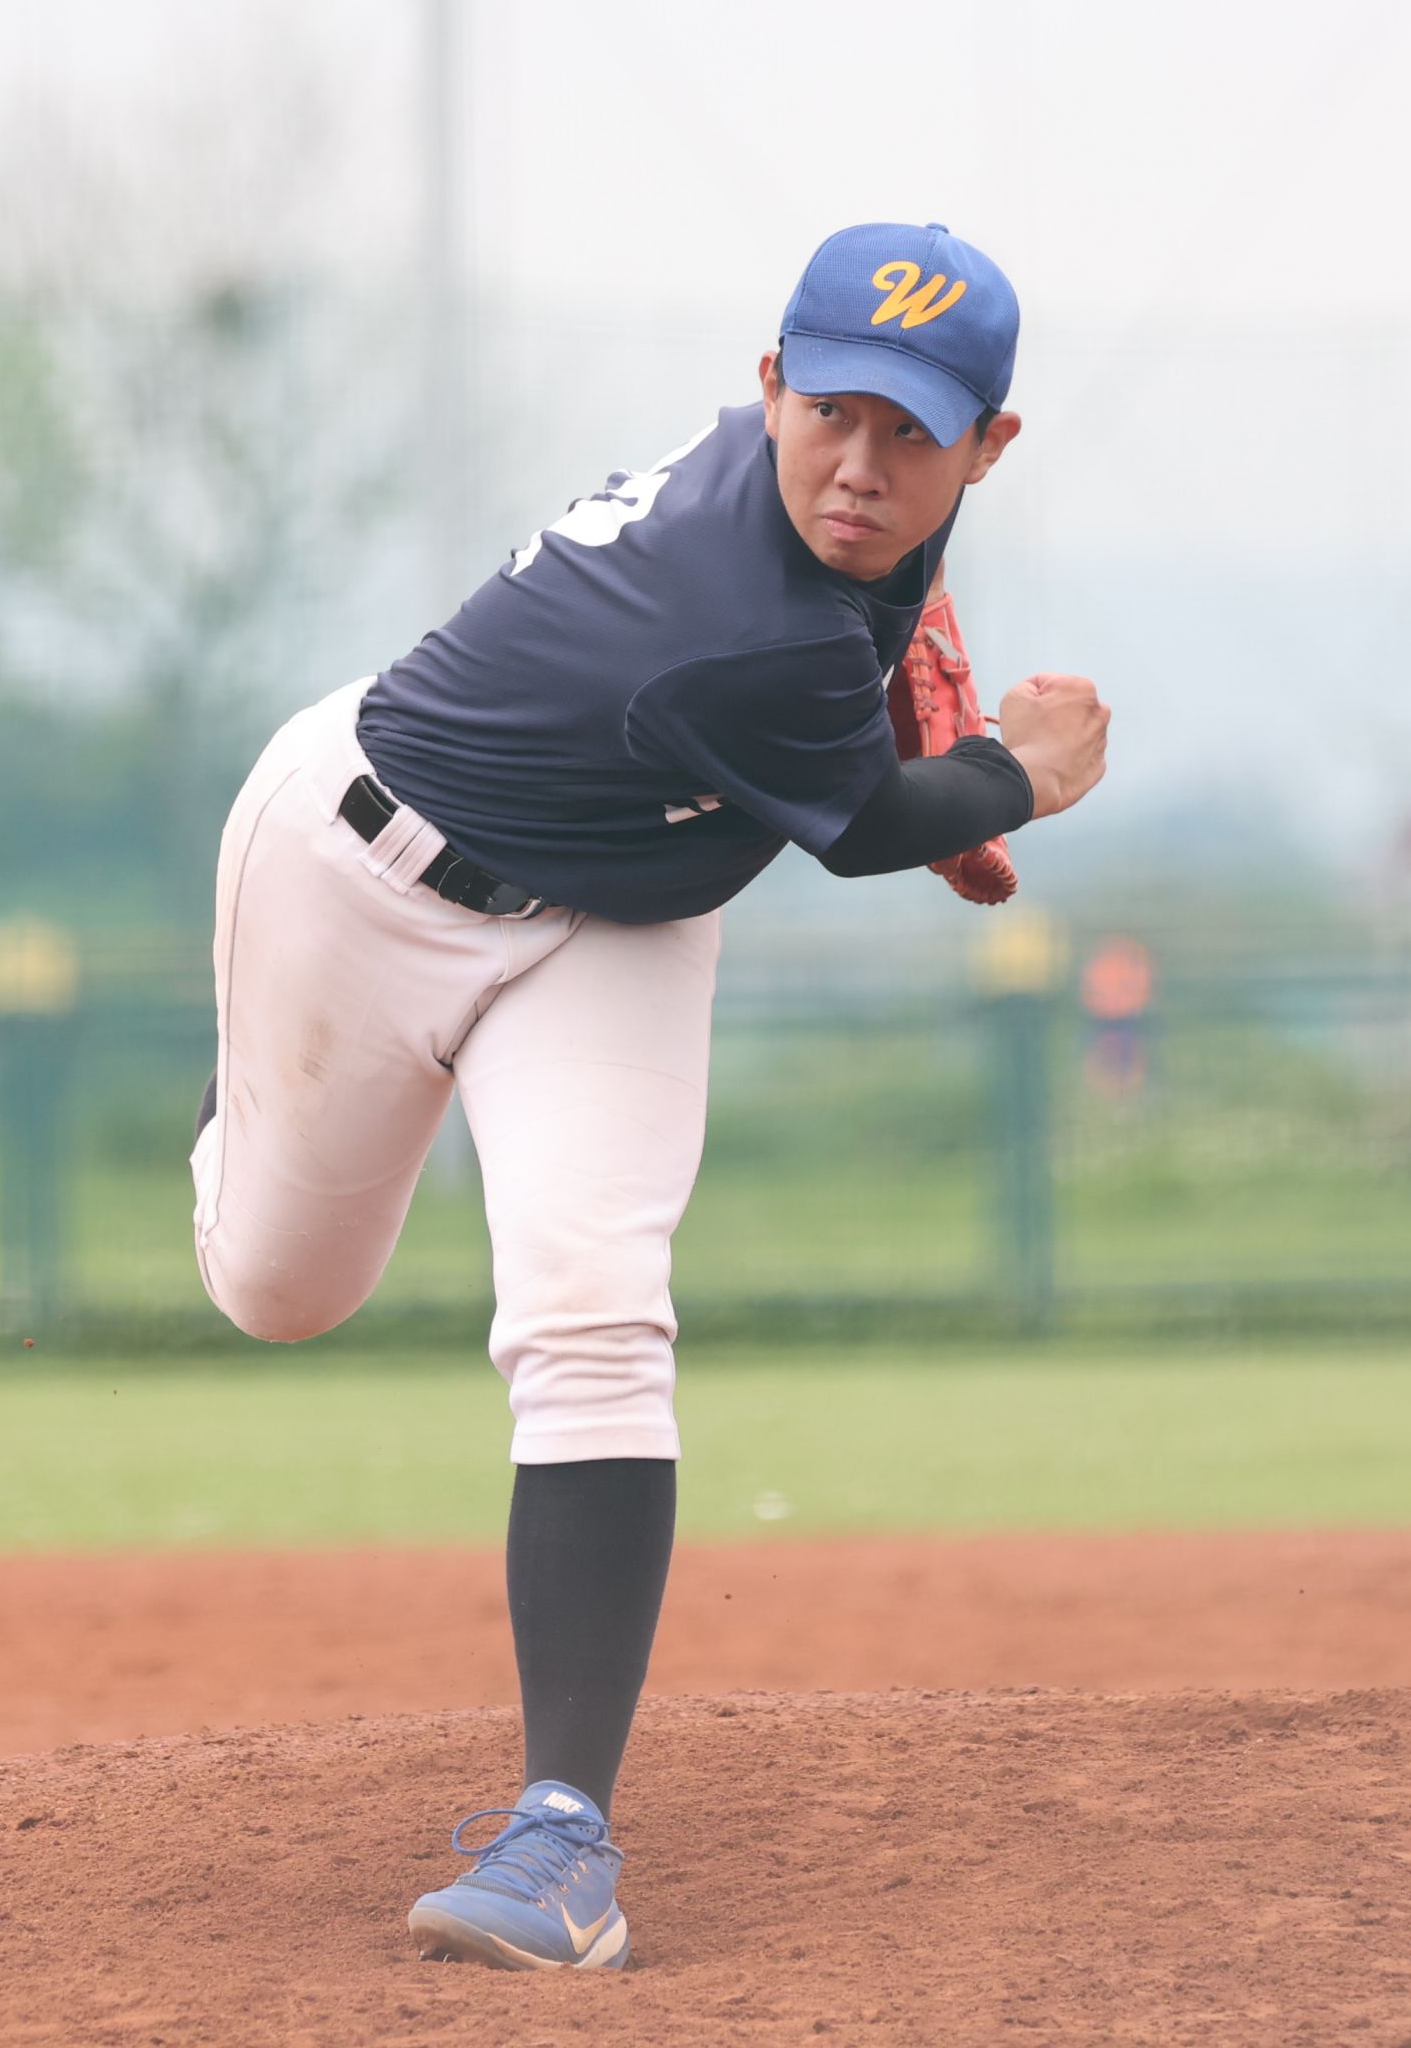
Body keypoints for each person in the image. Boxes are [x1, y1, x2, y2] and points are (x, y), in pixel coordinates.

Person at [189, 221, 1109, 1969]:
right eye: (829, 411)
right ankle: (244, 1090)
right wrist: (1018, 772)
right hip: (357, 872)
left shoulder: (841, 543)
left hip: (617, 915)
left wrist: (907, 681)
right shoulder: (735, 617)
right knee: (278, 1292)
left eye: (911, 431)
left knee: (598, 1314)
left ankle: (559, 1837)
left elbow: (859, 661)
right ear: (767, 386)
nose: (859, 465)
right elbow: (872, 828)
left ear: (988, 447)